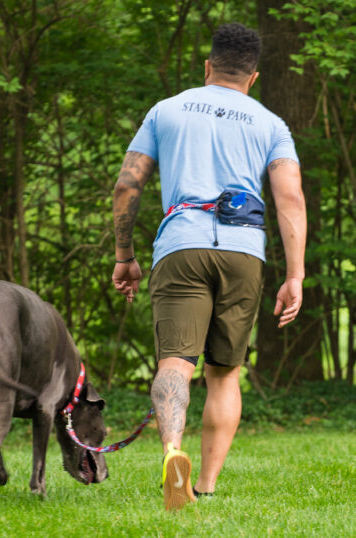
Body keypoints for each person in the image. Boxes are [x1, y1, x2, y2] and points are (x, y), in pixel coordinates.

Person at [112, 23, 306, 511]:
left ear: (207, 66)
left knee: (176, 362)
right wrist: (295, 274)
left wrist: (125, 256)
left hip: (182, 243)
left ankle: (174, 454)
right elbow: (290, 200)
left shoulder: (167, 110)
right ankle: (207, 487)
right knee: (225, 373)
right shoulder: (270, 123)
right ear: (254, 76)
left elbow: (127, 186)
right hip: (244, 250)